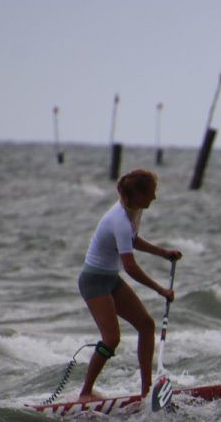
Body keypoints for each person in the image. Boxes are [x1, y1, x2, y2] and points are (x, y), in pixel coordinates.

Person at [75, 169, 181, 402]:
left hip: (110, 278)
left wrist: (162, 252)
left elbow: (132, 240)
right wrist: (160, 289)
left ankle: (146, 391)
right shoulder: (119, 220)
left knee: (146, 325)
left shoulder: (135, 210)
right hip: (93, 281)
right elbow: (130, 267)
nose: (154, 197)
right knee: (111, 339)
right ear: (137, 195)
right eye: (151, 193)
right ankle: (85, 393)